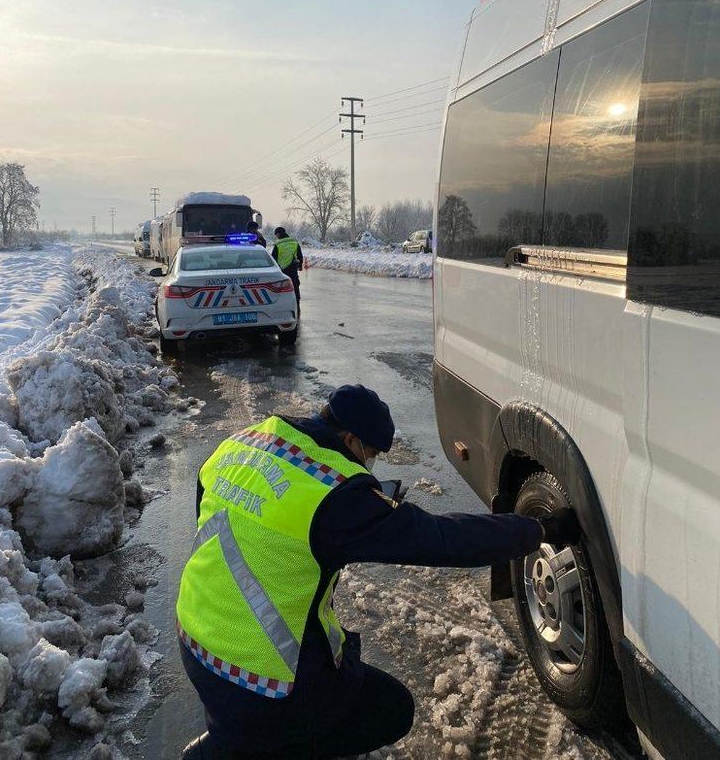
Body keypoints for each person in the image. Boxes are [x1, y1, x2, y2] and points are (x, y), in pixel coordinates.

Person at [177, 385, 581, 759]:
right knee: (390, 710)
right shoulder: (335, 497)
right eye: (369, 454)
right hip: (263, 682)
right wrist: (538, 529)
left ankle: (234, 734)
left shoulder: (243, 444)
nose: (368, 465)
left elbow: (217, 526)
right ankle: (244, 746)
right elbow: (443, 539)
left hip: (195, 643)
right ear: (351, 440)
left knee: (311, 685)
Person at [271, 227, 303, 310]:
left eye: (276, 234)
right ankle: (297, 303)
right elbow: (300, 255)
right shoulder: (294, 242)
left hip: (282, 270)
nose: (276, 236)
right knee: (295, 286)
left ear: (278, 234)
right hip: (293, 268)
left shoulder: (278, 245)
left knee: (283, 288)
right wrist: (300, 266)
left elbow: (273, 258)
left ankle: (283, 305)